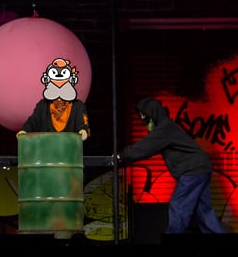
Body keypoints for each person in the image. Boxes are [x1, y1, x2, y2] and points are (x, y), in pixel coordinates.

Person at [116, 96, 227, 234]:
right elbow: (149, 149)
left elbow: (144, 148)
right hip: (201, 168)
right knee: (204, 212)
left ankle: (172, 240)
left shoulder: (164, 129)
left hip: (192, 170)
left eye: (144, 114)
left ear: (152, 112)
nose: (142, 118)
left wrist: (121, 156)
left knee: (179, 206)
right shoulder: (166, 127)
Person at [16, 57, 90, 140]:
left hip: (69, 146)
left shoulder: (78, 106)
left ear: (72, 81)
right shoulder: (42, 105)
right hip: (46, 145)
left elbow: (83, 124)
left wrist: (83, 131)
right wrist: (24, 130)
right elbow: (33, 121)